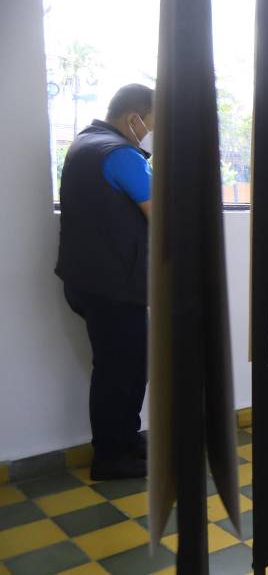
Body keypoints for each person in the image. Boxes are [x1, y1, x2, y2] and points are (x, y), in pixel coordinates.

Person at [56, 84, 155, 481]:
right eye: (153, 123)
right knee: (120, 369)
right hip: (113, 286)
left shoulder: (86, 145)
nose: (155, 132)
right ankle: (112, 456)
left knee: (127, 365)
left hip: (89, 280)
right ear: (133, 119)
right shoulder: (121, 155)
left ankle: (125, 441)